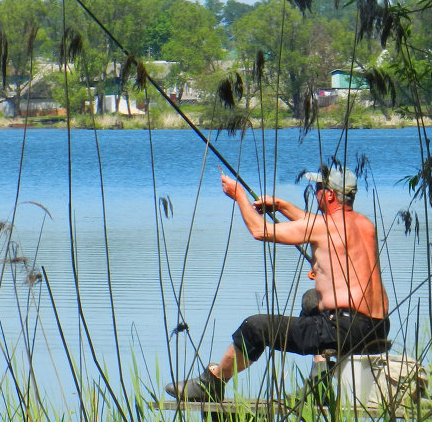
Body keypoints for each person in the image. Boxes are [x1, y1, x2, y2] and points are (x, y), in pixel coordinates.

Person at [165, 165, 390, 401]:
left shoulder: (323, 227)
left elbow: (260, 230)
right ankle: (319, 384)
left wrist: (238, 195)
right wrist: (281, 206)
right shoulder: (365, 225)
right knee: (311, 300)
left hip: (343, 329)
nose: (315, 194)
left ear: (330, 195)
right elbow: (313, 224)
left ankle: (211, 383)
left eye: (318, 189)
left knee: (255, 327)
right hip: (377, 328)